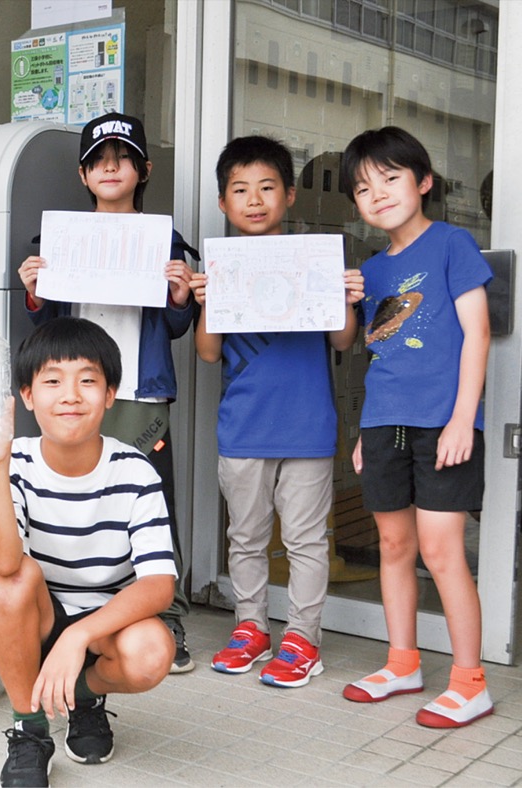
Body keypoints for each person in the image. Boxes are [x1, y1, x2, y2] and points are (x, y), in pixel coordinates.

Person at [0, 317, 176, 787]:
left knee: (153, 651)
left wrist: (78, 641)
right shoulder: (14, 460)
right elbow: (1, 563)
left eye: (88, 380)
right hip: (41, 613)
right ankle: (29, 728)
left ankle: (79, 696)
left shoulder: (136, 470)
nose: (71, 395)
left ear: (111, 394)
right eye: (53, 380)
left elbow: (159, 584)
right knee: (8, 581)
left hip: (105, 621)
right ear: (27, 395)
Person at [17, 112, 198, 672]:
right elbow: (46, 320)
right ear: (83, 173)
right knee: (72, 499)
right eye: (98, 160)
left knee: (148, 505)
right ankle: (64, 614)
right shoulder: (62, 237)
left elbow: (175, 328)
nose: (110, 167)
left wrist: (178, 296)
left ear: (143, 169)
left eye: (121, 158)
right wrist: (33, 289)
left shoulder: (163, 240)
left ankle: (162, 616)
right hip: (78, 388)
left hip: (140, 393)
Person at [188, 135, 362, 688]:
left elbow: (341, 341)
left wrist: (344, 299)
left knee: (308, 541)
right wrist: (209, 302)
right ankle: (250, 628)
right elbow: (208, 352)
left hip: (308, 427)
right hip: (244, 429)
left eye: (267, 187)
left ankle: (303, 638)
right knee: (246, 537)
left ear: (289, 195)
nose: (255, 199)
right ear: (223, 203)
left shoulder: (311, 260)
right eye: (240, 190)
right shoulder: (224, 269)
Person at [338, 126, 493, 727]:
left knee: (441, 551)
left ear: (423, 182)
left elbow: (476, 335)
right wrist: (363, 433)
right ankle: (402, 662)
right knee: (395, 546)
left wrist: (463, 419)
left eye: (390, 178)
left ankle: (469, 681)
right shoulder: (372, 271)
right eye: (362, 187)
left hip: (443, 424)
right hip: (384, 424)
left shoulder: (453, 244)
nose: (376, 194)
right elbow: (374, 352)